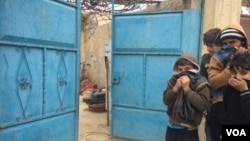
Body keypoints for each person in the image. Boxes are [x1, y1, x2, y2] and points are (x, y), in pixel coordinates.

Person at [207, 23, 249, 141]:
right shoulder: (216, 58)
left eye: (233, 42)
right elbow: (213, 82)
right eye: (225, 43)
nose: (228, 46)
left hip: (243, 107)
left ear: (242, 42)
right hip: (220, 109)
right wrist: (232, 65)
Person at [163, 53, 210, 141]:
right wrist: (175, 88)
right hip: (171, 128)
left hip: (189, 131)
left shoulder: (201, 83)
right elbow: (166, 100)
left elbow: (202, 105)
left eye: (187, 69)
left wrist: (187, 89)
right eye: (180, 69)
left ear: (195, 68)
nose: (183, 72)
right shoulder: (173, 81)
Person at [200, 28, 221, 141]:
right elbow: (203, 82)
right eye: (207, 45)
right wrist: (204, 106)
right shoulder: (206, 59)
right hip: (211, 106)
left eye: (211, 45)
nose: (209, 49)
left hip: (227, 107)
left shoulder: (231, 59)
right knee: (211, 135)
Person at [222, 51, 250, 125]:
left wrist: (244, 91)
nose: (238, 77)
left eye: (243, 73)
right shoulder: (229, 88)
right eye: (234, 72)